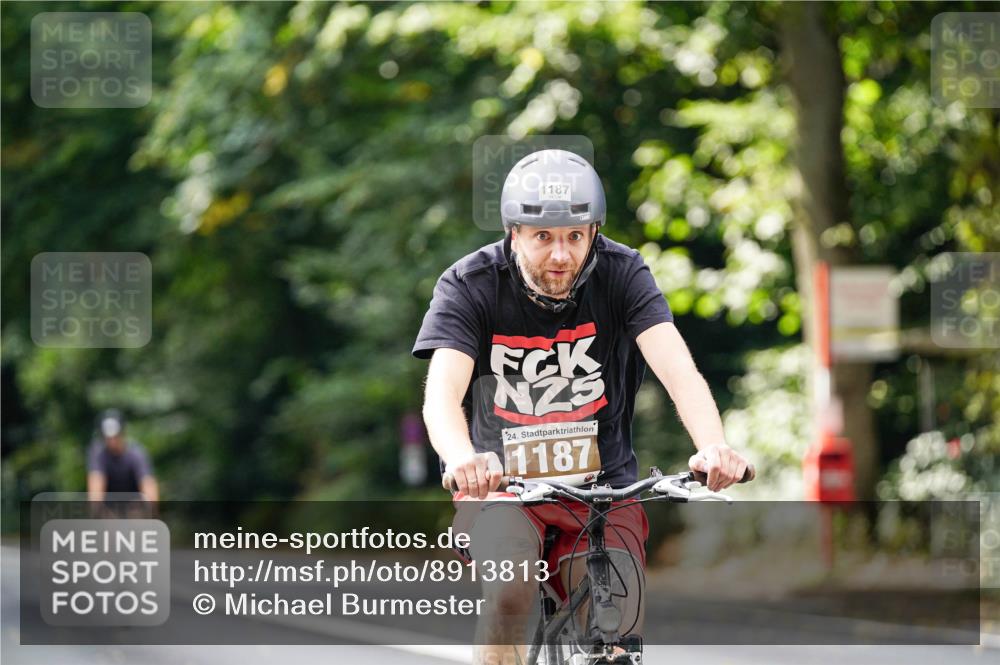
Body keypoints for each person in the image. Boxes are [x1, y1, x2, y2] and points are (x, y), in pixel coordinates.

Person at [413, 149, 751, 664]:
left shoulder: (623, 273)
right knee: (510, 589)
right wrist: (462, 459)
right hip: (504, 487)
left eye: (575, 236)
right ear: (514, 233)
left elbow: (679, 371)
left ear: (594, 231)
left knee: (617, 628)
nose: (561, 255)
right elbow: (441, 394)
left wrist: (713, 446)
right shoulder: (470, 284)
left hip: (604, 488)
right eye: (543, 237)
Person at [87, 409, 158, 511]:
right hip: (109, 510)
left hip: (134, 508)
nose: (112, 441)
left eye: (115, 436)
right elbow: (96, 487)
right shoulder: (98, 453)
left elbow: (148, 486)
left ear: (122, 433)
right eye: (108, 437)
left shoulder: (136, 453)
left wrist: (148, 509)